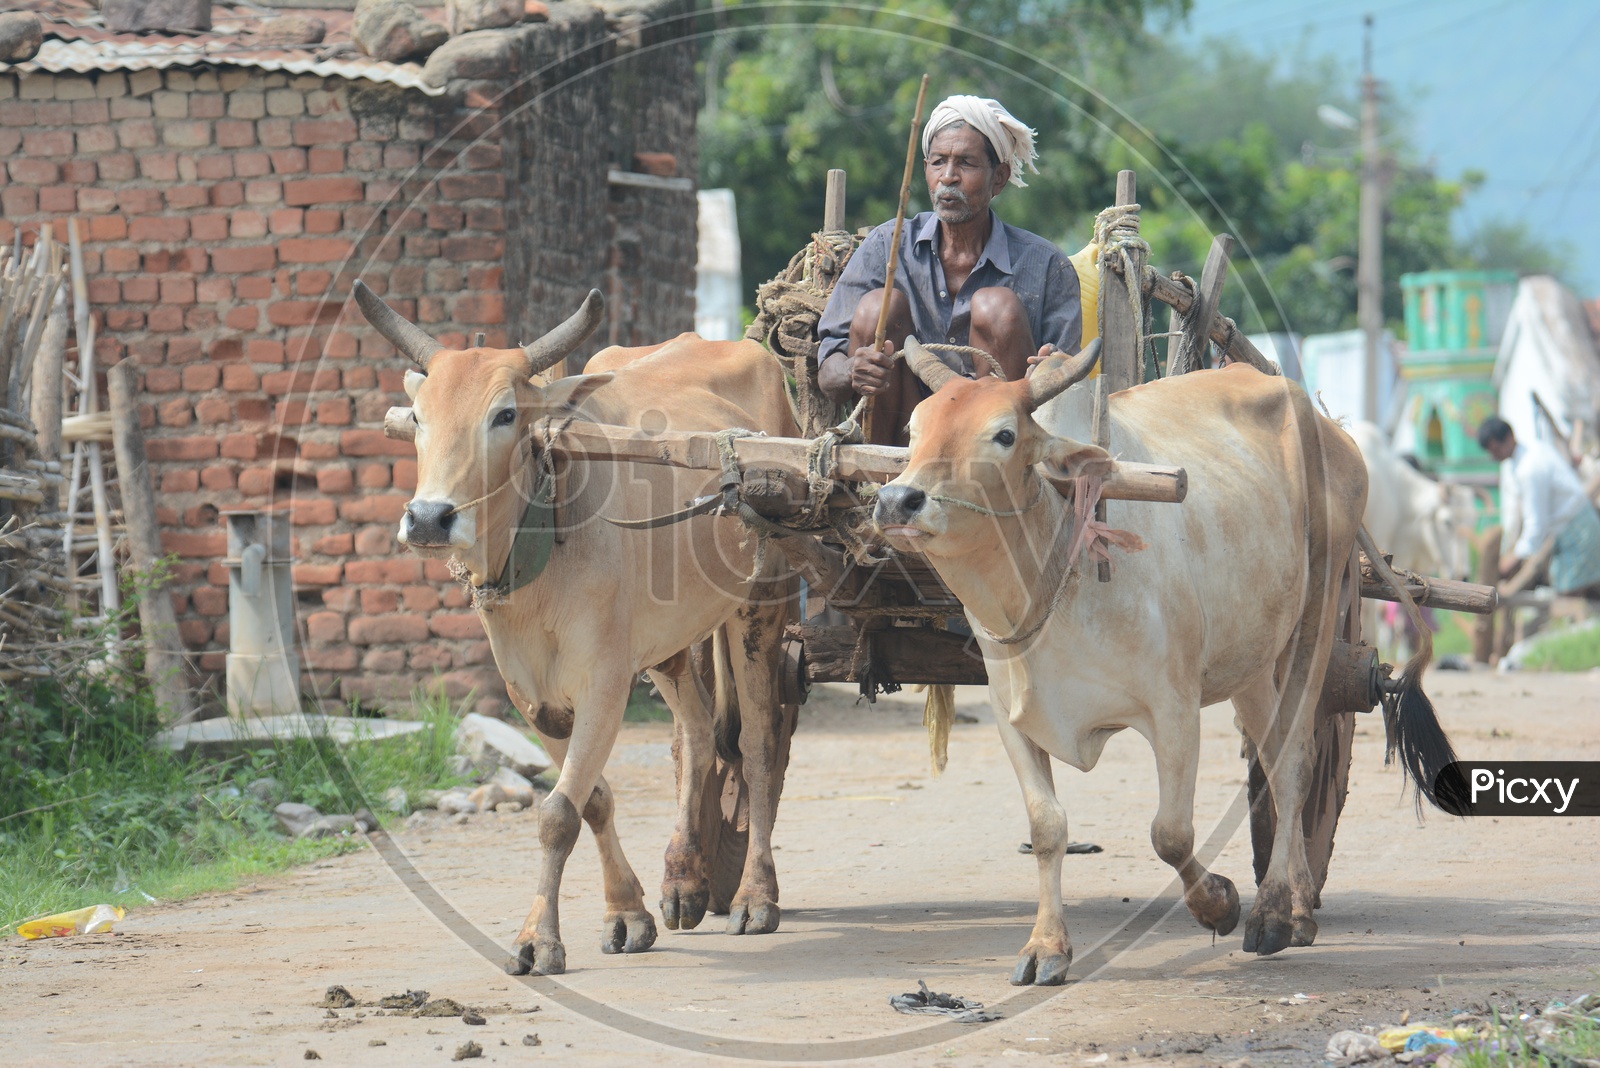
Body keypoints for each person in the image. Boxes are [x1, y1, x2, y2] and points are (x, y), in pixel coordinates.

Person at [816, 95, 1083, 445]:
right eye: (938, 162)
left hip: (992, 457)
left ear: (999, 178)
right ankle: (881, 479)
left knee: (997, 308)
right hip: (898, 445)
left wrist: (1044, 372)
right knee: (877, 308)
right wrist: (855, 370)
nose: (948, 177)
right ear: (926, 168)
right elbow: (828, 375)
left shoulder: (1047, 265)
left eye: (966, 164)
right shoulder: (885, 245)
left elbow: (1066, 389)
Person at [1477, 416, 1600, 594]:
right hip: (1575, 525)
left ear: (1509, 438)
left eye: (1496, 449)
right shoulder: (1533, 451)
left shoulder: (1529, 468)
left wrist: (1513, 560)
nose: (1495, 456)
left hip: (1577, 530)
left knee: (1569, 593)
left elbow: (1536, 524)